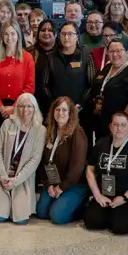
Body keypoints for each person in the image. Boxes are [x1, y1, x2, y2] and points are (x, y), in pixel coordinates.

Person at [84, 112, 128, 235]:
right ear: (110, 127)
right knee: (91, 222)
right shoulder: (101, 144)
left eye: (123, 125)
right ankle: (109, 214)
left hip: (127, 196)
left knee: (120, 228)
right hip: (104, 194)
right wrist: (97, 195)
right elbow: (90, 170)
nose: (119, 128)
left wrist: (124, 197)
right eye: (116, 125)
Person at [0, 93, 45, 224]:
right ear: (16, 108)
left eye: (29, 106)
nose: (25, 110)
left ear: (35, 108)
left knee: (19, 220)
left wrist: (16, 180)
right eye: (21, 106)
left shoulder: (40, 130)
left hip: (22, 179)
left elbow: (35, 160)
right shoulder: (8, 124)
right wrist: (2, 176)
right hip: (4, 176)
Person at [33, 96, 89, 226]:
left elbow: (77, 166)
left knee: (57, 217)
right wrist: (48, 185)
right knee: (41, 213)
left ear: (70, 114)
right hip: (53, 182)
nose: (60, 113)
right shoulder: (49, 131)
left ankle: (81, 204)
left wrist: (62, 187)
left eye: (64, 110)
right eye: (57, 109)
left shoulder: (77, 133)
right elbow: (44, 162)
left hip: (74, 184)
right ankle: (61, 201)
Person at [84, 39, 128, 142]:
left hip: (123, 128)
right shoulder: (107, 68)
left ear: (127, 52)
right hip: (104, 123)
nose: (115, 54)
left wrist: (121, 123)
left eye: (119, 51)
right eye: (111, 51)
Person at [0, 22, 36, 138]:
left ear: (18, 36)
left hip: (20, 107)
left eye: (13, 34)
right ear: (2, 36)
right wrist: (0, 107)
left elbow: (29, 86)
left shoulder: (27, 58)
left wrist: (14, 107)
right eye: (6, 34)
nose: (10, 37)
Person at [36, 22, 85, 116]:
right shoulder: (50, 57)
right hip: (56, 109)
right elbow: (44, 85)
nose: (66, 37)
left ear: (77, 36)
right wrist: (55, 105)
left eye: (70, 34)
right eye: (63, 34)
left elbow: (90, 86)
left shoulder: (86, 55)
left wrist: (79, 106)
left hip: (79, 110)